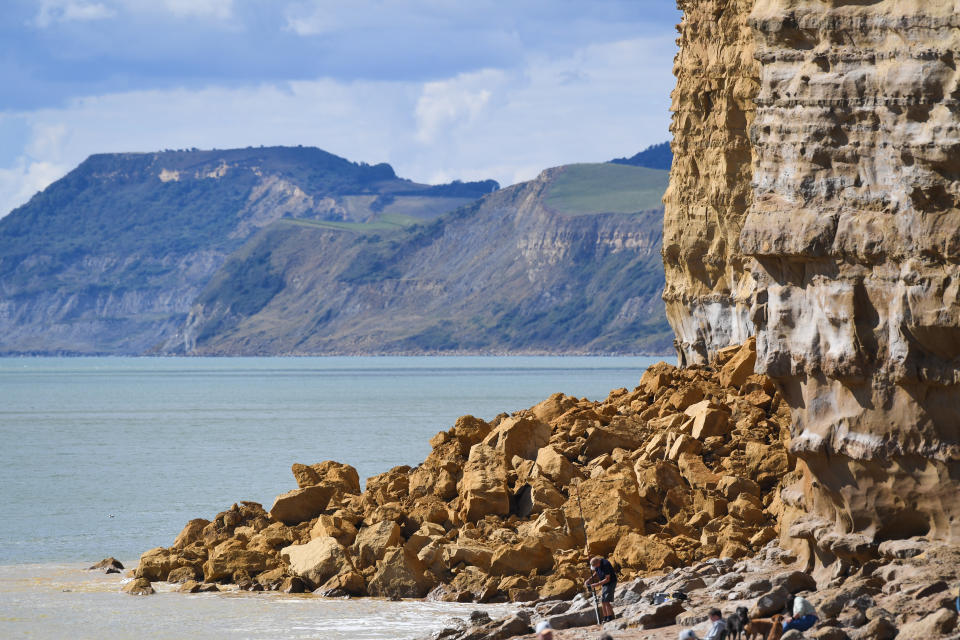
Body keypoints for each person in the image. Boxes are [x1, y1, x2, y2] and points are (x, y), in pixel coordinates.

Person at [584, 555, 617, 622]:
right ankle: (605, 617)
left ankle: (610, 617)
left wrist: (596, 584)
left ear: (598, 563)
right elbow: (596, 571)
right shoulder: (597, 564)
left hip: (610, 582)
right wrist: (589, 579)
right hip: (604, 583)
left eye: (595, 566)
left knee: (606, 600)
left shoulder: (605, 564)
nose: (595, 568)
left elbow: (607, 579)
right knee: (603, 601)